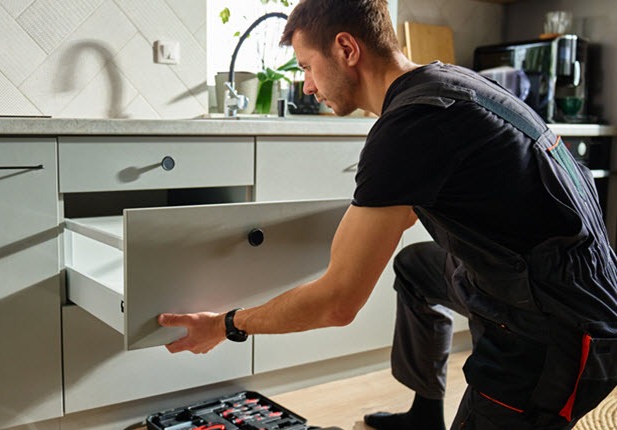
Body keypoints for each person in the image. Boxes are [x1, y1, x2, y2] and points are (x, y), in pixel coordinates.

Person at [157, 0, 617, 428]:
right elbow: (398, 218)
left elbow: (338, 303)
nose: (308, 86)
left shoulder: (411, 126)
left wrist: (224, 325)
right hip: (560, 281)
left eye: (307, 67)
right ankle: (425, 412)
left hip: (561, 328)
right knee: (415, 267)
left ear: (345, 48)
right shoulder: (445, 84)